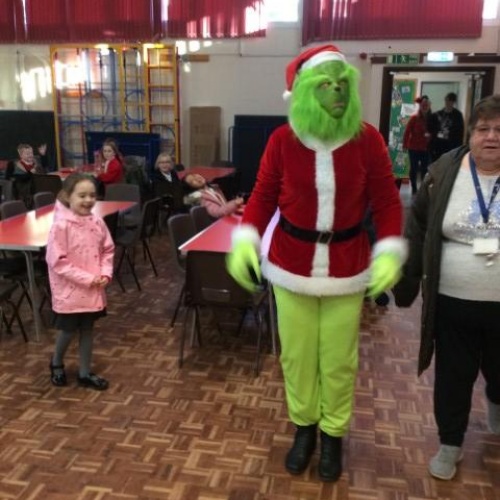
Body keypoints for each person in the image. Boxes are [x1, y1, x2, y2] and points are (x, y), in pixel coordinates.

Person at [226, 45, 406, 482]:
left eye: (342, 84)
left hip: (347, 266)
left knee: (339, 360)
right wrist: (247, 237)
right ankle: (304, 427)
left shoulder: (367, 139)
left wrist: (388, 248)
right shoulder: (282, 140)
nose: (337, 92)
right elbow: (263, 195)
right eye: (325, 85)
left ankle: (333, 434)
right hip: (291, 265)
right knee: (298, 357)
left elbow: (387, 200)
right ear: (305, 92)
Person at [393, 94, 500, 481]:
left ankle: (495, 399)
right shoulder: (444, 170)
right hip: (452, 301)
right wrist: (406, 282)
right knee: (454, 376)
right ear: (470, 134)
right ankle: (450, 443)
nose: (492, 137)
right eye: (484, 128)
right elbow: (418, 227)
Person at [46, 173, 115, 391]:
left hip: (93, 288)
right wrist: (89, 279)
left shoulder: (97, 221)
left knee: (87, 330)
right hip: (70, 291)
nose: (88, 200)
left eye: (92, 195)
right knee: (68, 330)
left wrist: (105, 273)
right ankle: (56, 362)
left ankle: (85, 372)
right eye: (82, 195)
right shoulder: (60, 226)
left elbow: (108, 250)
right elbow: (58, 262)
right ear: (68, 196)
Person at [403, 95, 433, 195]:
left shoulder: (432, 118)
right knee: (414, 169)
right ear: (420, 105)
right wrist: (405, 145)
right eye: (423, 105)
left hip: (426, 148)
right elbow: (407, 132)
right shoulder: (414, 118)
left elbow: (435, 131)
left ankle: (423, 189)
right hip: (414, 148)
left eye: (426, 105)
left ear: (429, 106)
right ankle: (414, 188)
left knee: (425, 169)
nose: (425, 107)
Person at [429, 92, 465, 162]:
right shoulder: (438, 114)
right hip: (438, 145)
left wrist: (458, 148)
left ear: (453, 102)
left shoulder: (457, 115)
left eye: (450, 101)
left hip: (451, 145)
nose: (448, 103)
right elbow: (431, 128)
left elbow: (460, 132)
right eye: (447, 100)